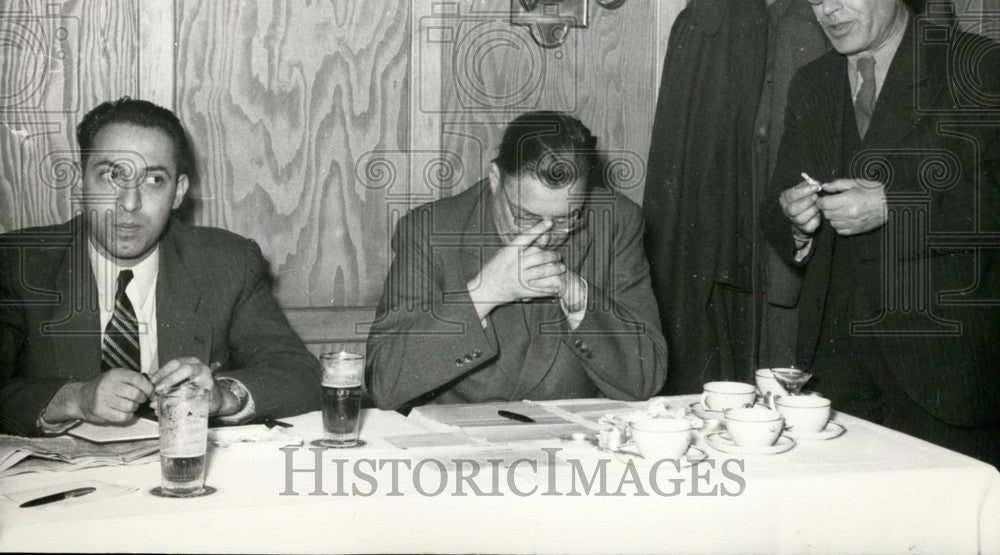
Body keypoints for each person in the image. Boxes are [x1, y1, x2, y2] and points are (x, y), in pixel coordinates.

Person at [761, 0, 1000, 465]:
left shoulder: (979, 68)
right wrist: (795, 221)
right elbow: (776, 210)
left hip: (943, 374)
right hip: (834, 373)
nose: (827, 6)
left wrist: (899, 205)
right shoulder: (813, 84)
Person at [0, 98, 321, 436]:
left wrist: (223, 396)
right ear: (81, 182)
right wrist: (73, 399)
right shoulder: (17, 264)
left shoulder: (229, 262)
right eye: (112, 175)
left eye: (153, 180)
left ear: (178, 192)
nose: (129, 203)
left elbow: (302, 374)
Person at [366, 111, 668, 409]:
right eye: (526, 216)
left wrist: (579, 299)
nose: (544, 237)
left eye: (565, 219)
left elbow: (646, 379)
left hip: (569, 444)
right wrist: (482, 294)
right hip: (460, 448)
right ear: (495, 179)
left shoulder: (615, 223)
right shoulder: (430, 229)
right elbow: (384, 383)